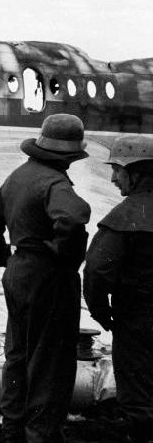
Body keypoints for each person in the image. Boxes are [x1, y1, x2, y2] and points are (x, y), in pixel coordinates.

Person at [0, 113, 91, 443]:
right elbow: (72, 217)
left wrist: (4, 258)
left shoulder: (18, 176)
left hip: (19, 274)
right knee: (50, 364)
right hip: (48, 279)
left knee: (18, 356)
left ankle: (12, 430)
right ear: (69, 155)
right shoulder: (56, 183)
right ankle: (40, 434)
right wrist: (62, 256)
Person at [83, 135, 153, 443]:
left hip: (137, 321)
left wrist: (101, 313)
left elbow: (97, 272)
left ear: (136, 174)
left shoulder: (123, 217)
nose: (112, 178)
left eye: (118, 170)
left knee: (139, 398)